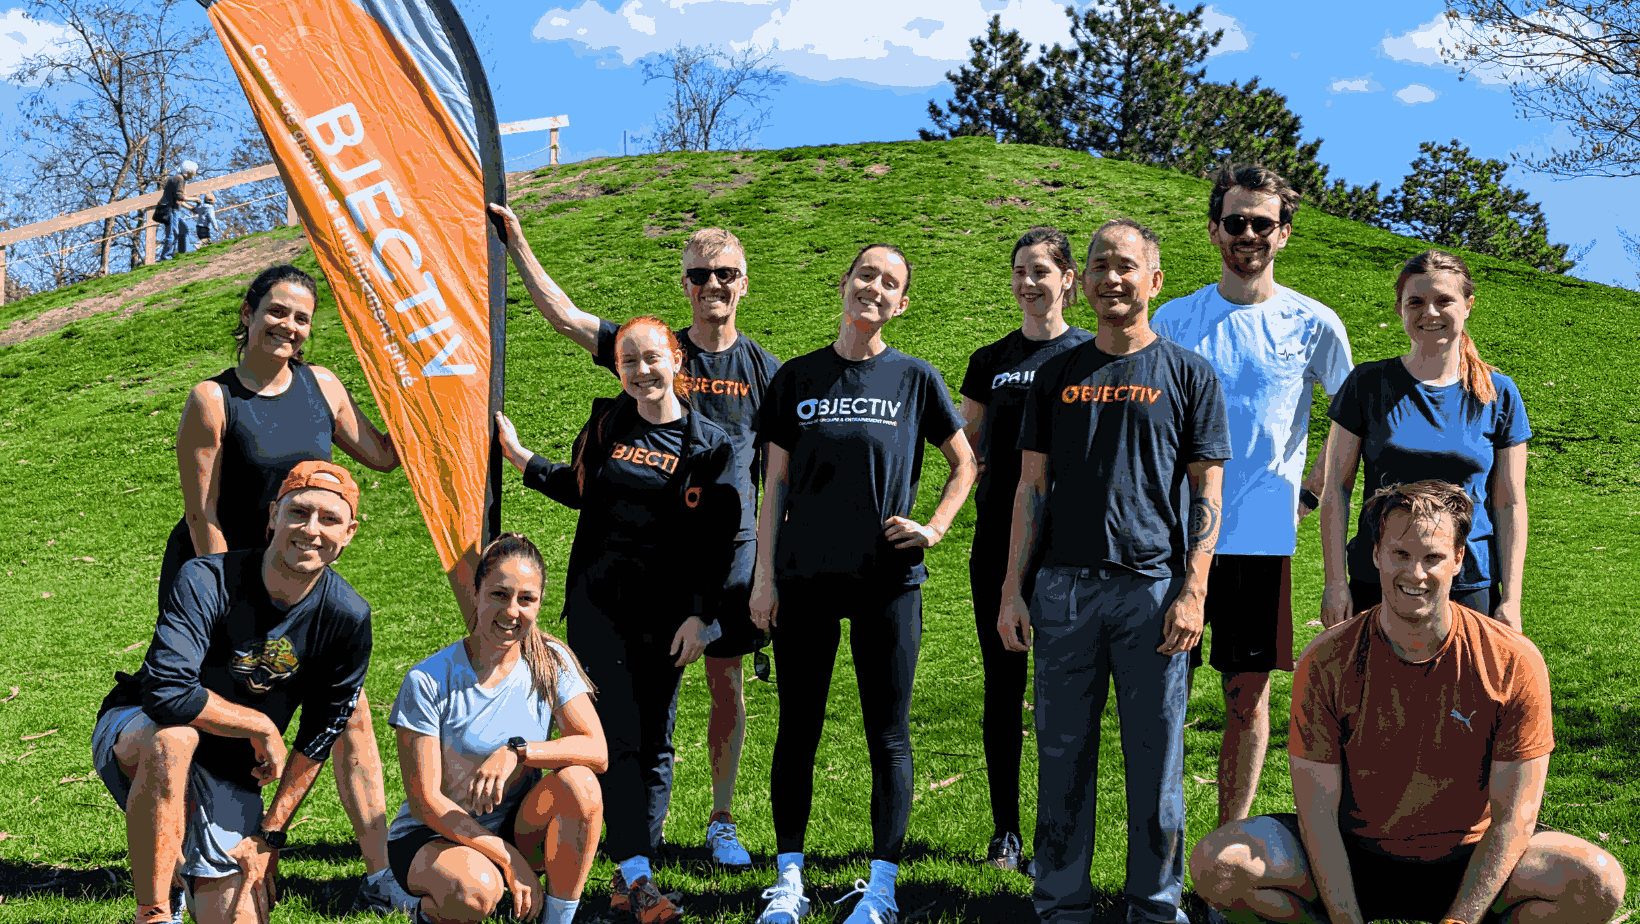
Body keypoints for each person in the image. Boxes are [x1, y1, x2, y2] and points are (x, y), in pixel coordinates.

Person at [1190, 480, 1626, 924]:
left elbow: (1514, 819)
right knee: (1219, 866)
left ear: (1459, 559)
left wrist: (1459, 922)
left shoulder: (1513, 660)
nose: (1415, 573)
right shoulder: (1325, 659)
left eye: (1433, 557)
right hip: (1355, 858)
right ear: (1376, 554)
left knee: (1598, 882)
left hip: (1468, 860)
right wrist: (1346, 919)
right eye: (1401, 554)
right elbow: (1317, 818)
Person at [489, 203, 777, 869]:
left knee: (725, 682)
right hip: (640, 571)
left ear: (743, 282)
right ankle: (630, 839)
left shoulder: (767, 371)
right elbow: (564, 315)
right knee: (636, 705)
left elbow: (780, 472)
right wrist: (520, 243)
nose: (714, 285)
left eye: (726, 274)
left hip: (726, 557)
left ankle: (722, 818)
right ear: (685, 284)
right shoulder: (651, 352)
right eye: (700, 274)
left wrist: (767, 570)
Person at [1000, 219, 1229, 924]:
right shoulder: (1056, 376)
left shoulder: (1188, 374)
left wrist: (1193, 590)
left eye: (1125, 266)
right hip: (1064, 590)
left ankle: (1153, 906)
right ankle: (1062, 904)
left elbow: (1206, 492)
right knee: (1063, 757)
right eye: (1098, 265)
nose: (1110, 278)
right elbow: (1030, 489)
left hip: (1153, 592)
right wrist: (1014, 588)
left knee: (1155, 762)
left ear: (1154, 281)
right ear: (1082, 280)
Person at [164, 263, 406, 911]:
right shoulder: (212, 400)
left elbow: (382, 455)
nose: (289, 326)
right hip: (220, 584)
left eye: (301, 317)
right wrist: (230, 611)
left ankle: (381, 871)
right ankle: (183, 870)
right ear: (247, 312)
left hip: (300, 582)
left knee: (349, 711)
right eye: (277, 311)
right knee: (203, 724)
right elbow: (201, 515)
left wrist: (426, 399)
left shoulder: (321, 386)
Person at [750, 243, 977, 924]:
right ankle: (788, 881)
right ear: (844, 285)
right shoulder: (796, 379)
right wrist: (763, 579)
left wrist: (934, 527)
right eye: (865, 275)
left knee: (890, 733)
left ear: (901, 304)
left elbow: (967, 464)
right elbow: (773, 489)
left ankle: (880, 887)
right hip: (805, 579)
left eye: (890, 283)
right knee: (798, 729)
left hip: (888, 581)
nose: (874, 288)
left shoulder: (916, 379)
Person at [497, 315, 748, 923]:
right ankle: (625, 865)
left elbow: (723, 539)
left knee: (654, 738)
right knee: (608, 738)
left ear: (676, 361)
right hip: (597, 610)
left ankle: (635, 863)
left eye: (652, 358)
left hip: (667, 620)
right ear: (619, 370)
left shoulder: (710, 443)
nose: (641, 371)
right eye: (629, 362)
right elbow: (581, 488)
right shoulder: (609, 422)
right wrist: (523, 458)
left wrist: (701, 617)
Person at [1150, 162, 1354, 828]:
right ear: (1213, 230)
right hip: (1174, 538)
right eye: (1235, 222)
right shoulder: (1177, 319)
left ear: (1284, 234)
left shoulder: (1314, 323)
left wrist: (1315, 486)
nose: (1248, 235)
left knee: (1247, 700)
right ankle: (1161, 851)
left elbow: (1354, 416)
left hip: (1262, 540)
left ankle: (1225, 846)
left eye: (1262, 224)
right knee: (1161, 701)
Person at [93, 461, 375, 924]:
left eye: (329, 519)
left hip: (231, 774)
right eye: (298, 513)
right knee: (175, 740)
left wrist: (270, 837)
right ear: (272, 517)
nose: (311, 529)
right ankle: (155, 911)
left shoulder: (347, 617)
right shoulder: (206, 578)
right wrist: (260, 724)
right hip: (138, 733)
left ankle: (186, 874)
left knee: (238, 915)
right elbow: (166, 693)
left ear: (349, 533)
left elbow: (321, 735)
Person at [958, 226, 1092, 871]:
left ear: (1068, 279)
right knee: (1003, 687)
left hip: (1070, 545)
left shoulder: (1090, 355)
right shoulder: (990, 360)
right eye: (1020, 271)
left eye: (1041, 270)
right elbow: (969, 448)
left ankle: (1059, 834)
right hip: (997, 542)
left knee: (1064, 695)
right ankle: (1006, 832)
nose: (1029, 282)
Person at [388, 533, 606, 924]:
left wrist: (517, 751)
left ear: (539, 603)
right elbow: (426, 802)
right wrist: (510, 862)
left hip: (518, 824)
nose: (512, 611)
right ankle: (424, 908)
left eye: (526, 599)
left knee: (582, 783)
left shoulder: (550, 662)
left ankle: (557, 921)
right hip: (436, 834)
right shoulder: (428, 680)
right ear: (475, 593)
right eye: (499, 595)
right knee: (476, 890)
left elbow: (597, 750)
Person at [1319, 250, 1531, 631]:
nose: (1430, 313)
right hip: (1381, 575)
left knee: (1464, 690)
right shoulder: (1367, 385)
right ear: (1400, 309)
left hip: (1469, 580)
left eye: (1444, 300)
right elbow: (1337, 489)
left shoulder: (1498, 393)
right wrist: (1335, 583)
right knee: (1377, 690)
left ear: (1467, 306)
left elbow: (1510, 502)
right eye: (1415, 301)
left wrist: (1511, 598)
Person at [156, 161, 198, 261]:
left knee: (175, 232)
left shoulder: (177, 179)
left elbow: (178, 200)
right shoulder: (179, 179)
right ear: (189, 171)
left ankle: (170, 255)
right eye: (195, 171)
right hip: (169, 210)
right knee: (172, 233)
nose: (195, 173)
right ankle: (166, 257)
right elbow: (180, 196)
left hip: (170, 209)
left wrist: (191, 208)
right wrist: (194, 199)